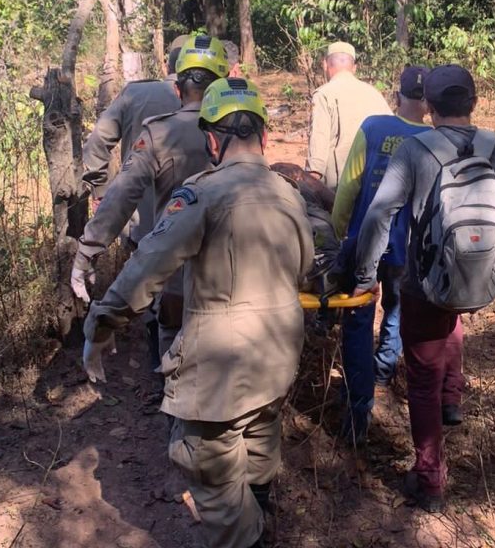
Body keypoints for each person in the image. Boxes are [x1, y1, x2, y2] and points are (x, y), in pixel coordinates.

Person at [82, 77, 314, 548]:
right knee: (259, 437)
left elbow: (149, 263)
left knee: (208, 463)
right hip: (278, 356)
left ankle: (248, 537)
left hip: (218, 370)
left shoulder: (200, 194)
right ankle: (261, 520)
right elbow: (305, 270)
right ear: (265, 137)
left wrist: (103, 321)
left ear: (211, 139)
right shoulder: (290, 194)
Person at [353, 65, 495, 511]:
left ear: (429, 107)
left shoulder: (414, 149)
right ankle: (452, 399)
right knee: (452, 321)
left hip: (425, 282)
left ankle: (430, 482)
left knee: (420, 377)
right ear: (475, 104)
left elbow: (379, 216)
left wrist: (365, 275)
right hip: (481, 277)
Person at [72, 35, 229, 363]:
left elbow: (103, 157)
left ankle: (163, 381)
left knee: (162, 318)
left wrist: (90, 241)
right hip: (227, 268)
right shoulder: (239, 130)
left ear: (172, 74)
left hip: (153, 240)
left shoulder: (140, 101)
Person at [330, 65, 431, 444]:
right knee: (396, 309)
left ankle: (358, 406)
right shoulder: (435, 142)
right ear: (428, 102)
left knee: (357, 321)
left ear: (398, 94)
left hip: (363, 242)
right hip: (408, 249)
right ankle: (385, 369)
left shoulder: (373, 128)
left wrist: (338, 233)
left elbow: (348, 187)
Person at [81, 79, 182, 242]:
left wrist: (101, 192)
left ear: (166, 65)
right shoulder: (212, 96)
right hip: (197, 231)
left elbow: (97, 142)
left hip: (143, 226)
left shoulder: (135, 93)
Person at [304, 41, 391, 190]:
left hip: (340, 187)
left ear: (325, 64)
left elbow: (319, 145)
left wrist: (310, 184)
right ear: (354, 68)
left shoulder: (324, 94)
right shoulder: (374, 93)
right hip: (374, 182)